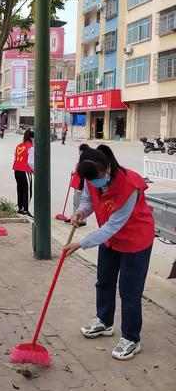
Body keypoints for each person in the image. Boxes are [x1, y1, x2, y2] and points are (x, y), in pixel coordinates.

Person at [64, 147, 155, 361]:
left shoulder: (130, 185)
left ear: (107, 168)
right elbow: (88, 200)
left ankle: (132, 339)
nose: (94, 183)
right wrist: (80, 212)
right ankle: (104, 322)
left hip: (135, 240)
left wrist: (81, 243)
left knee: (129, 291)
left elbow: (114, 224)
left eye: (97, 179)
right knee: (104, 281)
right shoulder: (89, 176)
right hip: (110, 240)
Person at [66, 143, 90, 226]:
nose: (79, 152)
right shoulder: (82, 160)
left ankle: (81, 220)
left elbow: (83, 176)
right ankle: (74, 217)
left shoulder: (85, 161)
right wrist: (74, 173)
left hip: (80, 186)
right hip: (77, 185)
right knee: (75, 202)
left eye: (79, 150)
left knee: (80, 203)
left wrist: (80, 187)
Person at [13, 129, 34, 217]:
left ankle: (20, 208)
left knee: (20, 189)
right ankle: (25, 210)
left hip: (16, 170)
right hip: (25, 171)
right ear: (32, 138)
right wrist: (34, 171)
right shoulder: (31, 147)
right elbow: (31, 162)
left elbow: (15, 155)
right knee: (27, 191)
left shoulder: (19, 146)